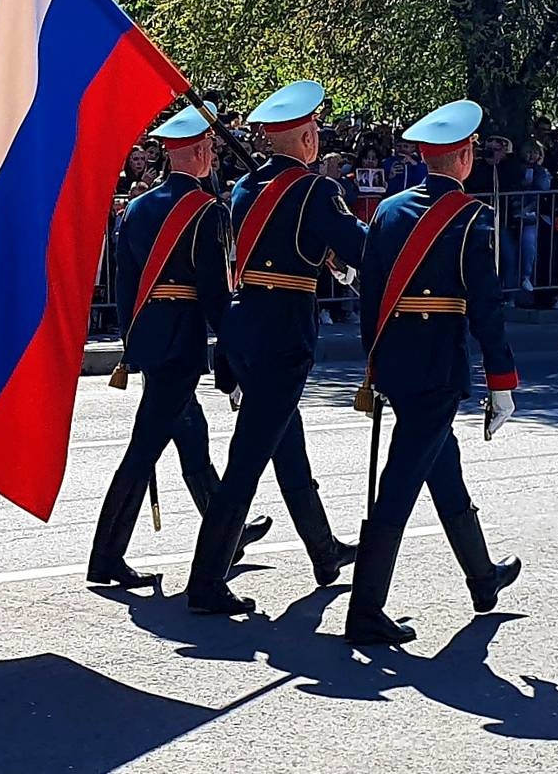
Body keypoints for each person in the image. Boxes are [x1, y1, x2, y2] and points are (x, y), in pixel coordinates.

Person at [184, 81, 366, 616]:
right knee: (247, 461)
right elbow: (359, 244)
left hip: (246, 325)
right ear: (307, 137)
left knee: (288, 447)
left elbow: (277, 245)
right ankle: (206, 581)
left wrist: (319, 250)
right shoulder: (315, 190)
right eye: (314, 133)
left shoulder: (246, 189)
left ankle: (324, 550)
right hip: (284, 331)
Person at [344, 99, 521, 646]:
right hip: (440, 363)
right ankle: (365, 607)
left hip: (396, 360)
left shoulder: (390, 211)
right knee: (399, 484)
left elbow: (370, 295)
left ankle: (482, 576)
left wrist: (374, 359)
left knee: (443, 466)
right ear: (464, 156)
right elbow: (486, 307)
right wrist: (501, 380)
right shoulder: (472, 218)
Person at [89, 103, 272, 589]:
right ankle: (106, 555)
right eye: (209, 146)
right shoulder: (206, 211)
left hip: (150, 337)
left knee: (190, 434)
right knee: (145, 446)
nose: (213, 151)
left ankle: (224, 525)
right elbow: (215, 292)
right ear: (199, 151)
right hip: (181, 341)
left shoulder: (139, 207)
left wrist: (133, 340)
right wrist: (233, 350)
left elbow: (126, 284)